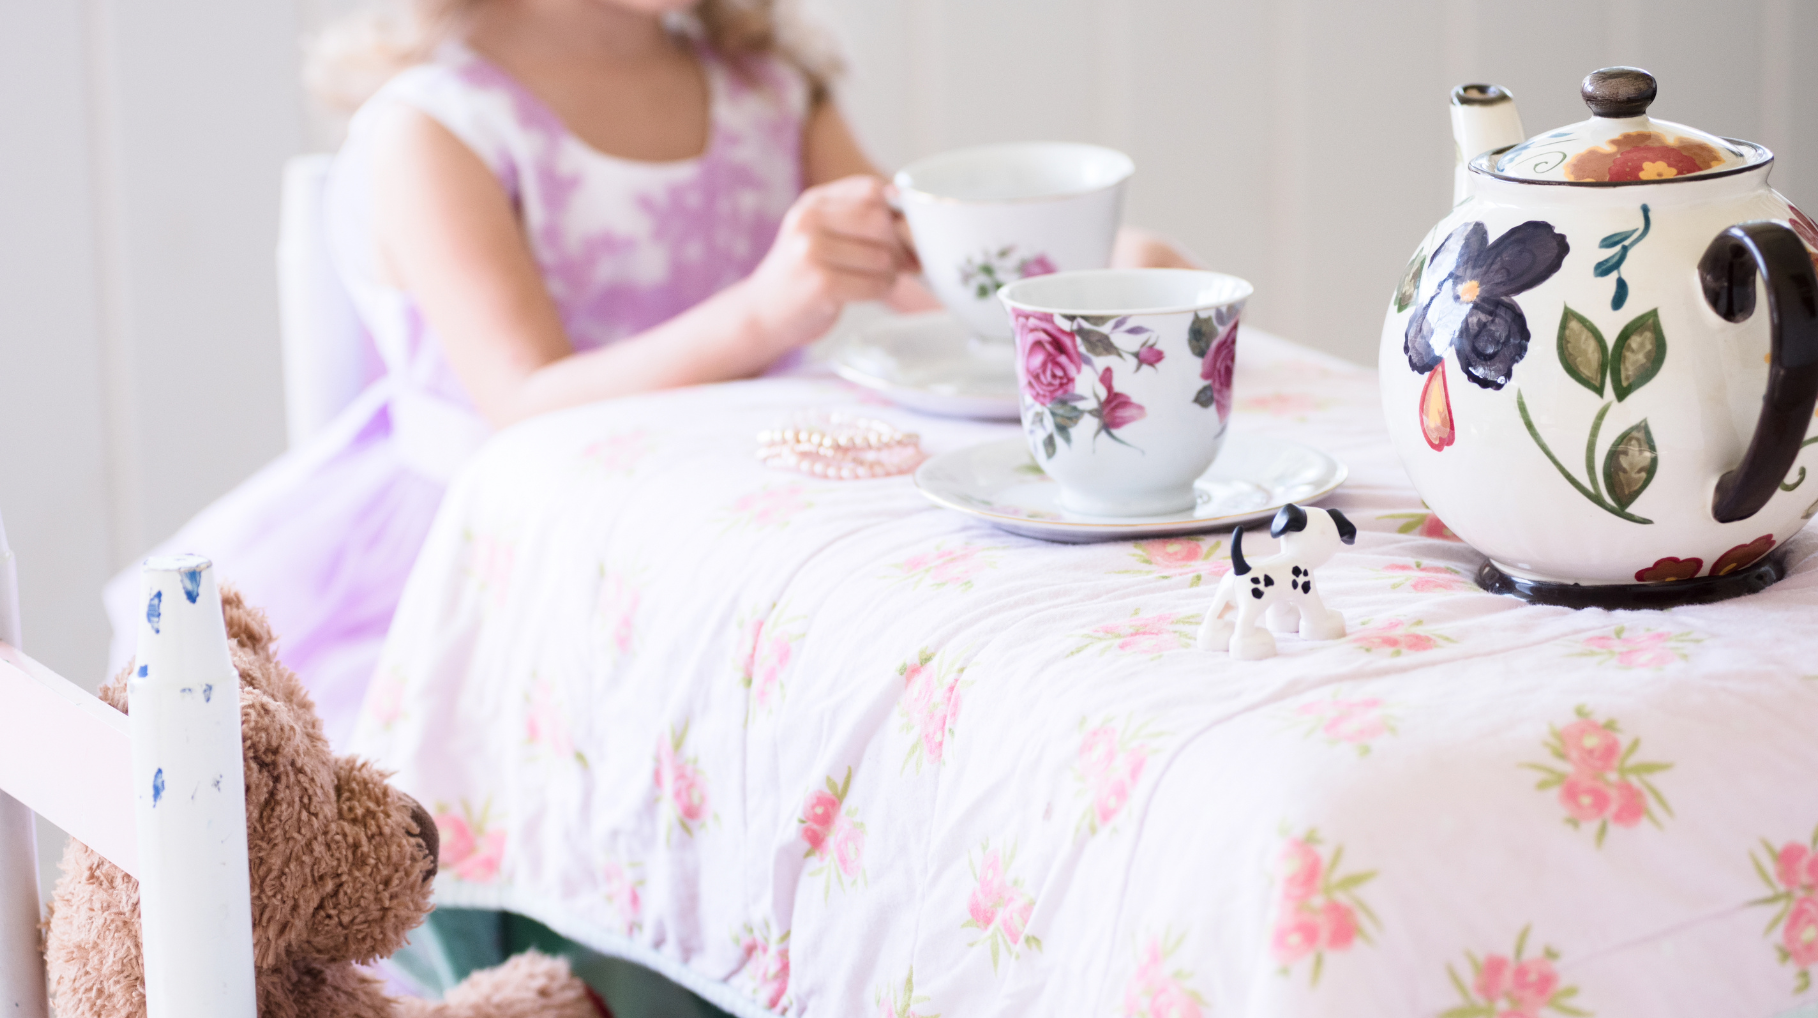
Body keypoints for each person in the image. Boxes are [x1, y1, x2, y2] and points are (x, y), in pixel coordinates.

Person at [104, 0, 1190, 742]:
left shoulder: (768, 90)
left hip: (728, 528)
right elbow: (521, 402)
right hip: (494, 558)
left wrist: (1108, 273)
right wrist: (768, 308)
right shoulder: (435, 125)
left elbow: (924, 279)